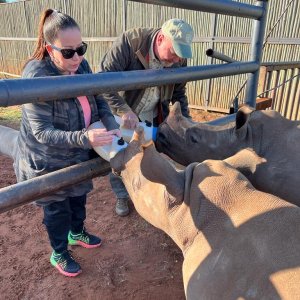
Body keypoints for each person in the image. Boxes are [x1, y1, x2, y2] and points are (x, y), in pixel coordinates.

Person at [13, 9, 120, 277]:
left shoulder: (81, 66)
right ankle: (59, 251)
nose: (78, 57)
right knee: (57, 208)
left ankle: (77, 232)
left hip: (77, 153)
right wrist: (85, 138)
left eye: (81, 48)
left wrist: (110, 122)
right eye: (68, 52)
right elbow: (42, 133)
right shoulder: (37, 77)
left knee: (78, 198)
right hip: (48, 160)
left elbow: (98, 98)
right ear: (50, 50)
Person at [99, 18, 194, 216]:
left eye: (180, 55)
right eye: (174, 52)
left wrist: (186, 121)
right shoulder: (130, 42)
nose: (177, 60)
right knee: (122, 153)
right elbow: (103, 80)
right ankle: (121, 195)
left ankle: (151, 194)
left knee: (154, 153)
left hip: (155, 110)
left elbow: (178, 94)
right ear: (160, 39)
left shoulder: (179, 59)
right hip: (125, 112)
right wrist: (122, 109)